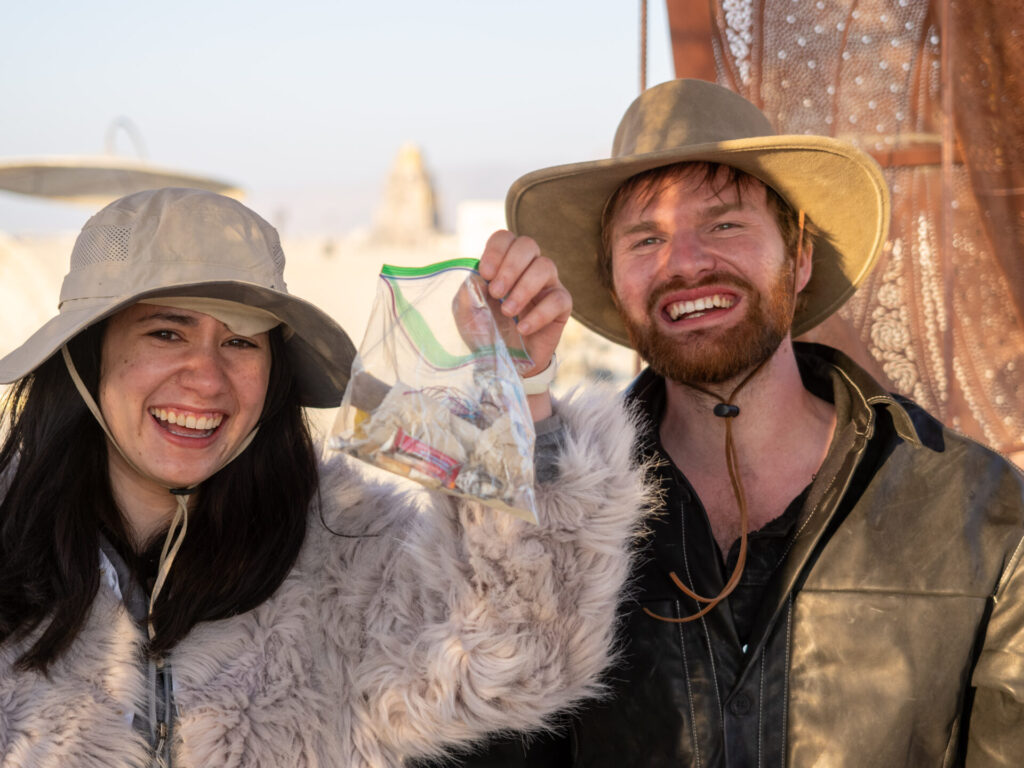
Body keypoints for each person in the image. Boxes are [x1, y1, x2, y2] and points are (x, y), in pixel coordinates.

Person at [437, 79, 1024, 766]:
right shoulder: (558, 508)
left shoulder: (977, 512)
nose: (684, 263)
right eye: (646, 238)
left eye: (724, 224)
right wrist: (516, 399)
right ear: (613, 281)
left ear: (798, 257)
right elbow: (479, 729)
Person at [0, 187, 650, 768]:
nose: (205, 377)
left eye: (241, 342)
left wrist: (522, 390)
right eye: (167, 333)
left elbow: (522, 654)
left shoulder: (343, 548)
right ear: (86, 356)